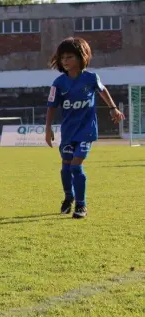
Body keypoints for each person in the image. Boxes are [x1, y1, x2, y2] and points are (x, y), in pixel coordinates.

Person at [45, 37, 124, 219]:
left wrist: (113, 108)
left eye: (69, 57)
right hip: (68, 132)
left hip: (86, 131)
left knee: (75, 166)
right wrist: (48, 128)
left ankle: (81, 205)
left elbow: (102, 90)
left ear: (82, 57)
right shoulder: (58, 83)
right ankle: (68, 197)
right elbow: (51, 106)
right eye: (62, 57)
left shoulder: (91, 78)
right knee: (65, 167)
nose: (65, 61)